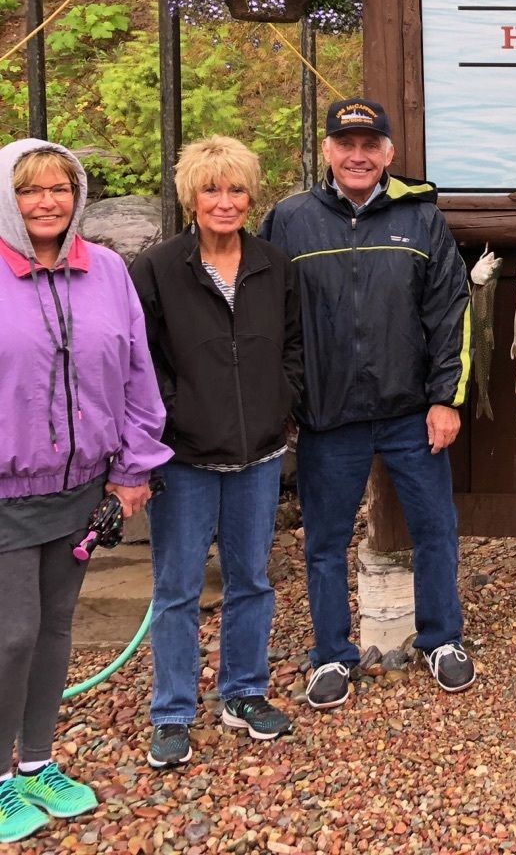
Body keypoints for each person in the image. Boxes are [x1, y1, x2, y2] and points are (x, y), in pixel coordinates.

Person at [259, 98, 475, 707]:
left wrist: (445, 399)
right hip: (328, 417)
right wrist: (286, 400)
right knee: (324, 542)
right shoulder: (290, 220)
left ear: (388, 154)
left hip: (411, 411)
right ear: (327, 150)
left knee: (436, 529)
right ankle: (330, 654)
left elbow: (451, 313)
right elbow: (269, 320)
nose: (358, 156)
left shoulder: (422, 219)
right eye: (345, 144)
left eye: (369, 145)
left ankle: (441, 639)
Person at [0, 140, 170, 844]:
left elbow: (136, 370)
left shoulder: (105, 272)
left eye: (60, 188)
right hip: (6, 492)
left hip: (80, 487)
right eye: (30, 189)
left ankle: (37, 761)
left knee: (55, 630)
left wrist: (133, 468)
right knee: (11, 635)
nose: (47, 202)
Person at [132, 137, 304, 770]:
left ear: (251, 196)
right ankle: (173, 711)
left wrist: (281, 399)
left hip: (258, 453)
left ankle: (244, 693)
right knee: (176, 588)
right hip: (183, 457)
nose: (224, 201)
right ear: (191, 196)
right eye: (212, 189)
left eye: (235, 189)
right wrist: (170, 416)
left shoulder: (274, 265)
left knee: (251, 581)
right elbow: (141, 357)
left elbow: (294, 345)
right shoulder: (154, 268)